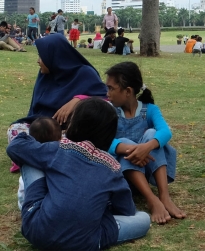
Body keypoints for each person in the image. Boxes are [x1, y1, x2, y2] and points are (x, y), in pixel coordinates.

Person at [7, 98, 151, 250]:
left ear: (73, 123)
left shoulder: (59, 148)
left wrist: (30, 138)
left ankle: (39, 206)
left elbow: (15, 148)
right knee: (144, 219)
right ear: (110, 133)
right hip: (85, 242)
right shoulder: (113, 167)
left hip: (36, 230)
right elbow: (126, 210)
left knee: (30, 156)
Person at [105, 61, 185, 224]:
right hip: (122, 176)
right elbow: (103, 140)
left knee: (152, 134)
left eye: (111, 88)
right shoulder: (108, 111)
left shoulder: (150, 109)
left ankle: (164, 196)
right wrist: (132, 149)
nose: (107, 93)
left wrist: (146, 147)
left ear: (128, 91)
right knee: (123, 141)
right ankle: (152, 199)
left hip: (148, 170)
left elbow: (166, 132)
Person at [18, 117, 62, 210]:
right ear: (60, 139)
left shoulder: (29, 162)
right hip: (55, 205)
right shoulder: (61, 159)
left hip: (28, 205)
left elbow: (22, 191)